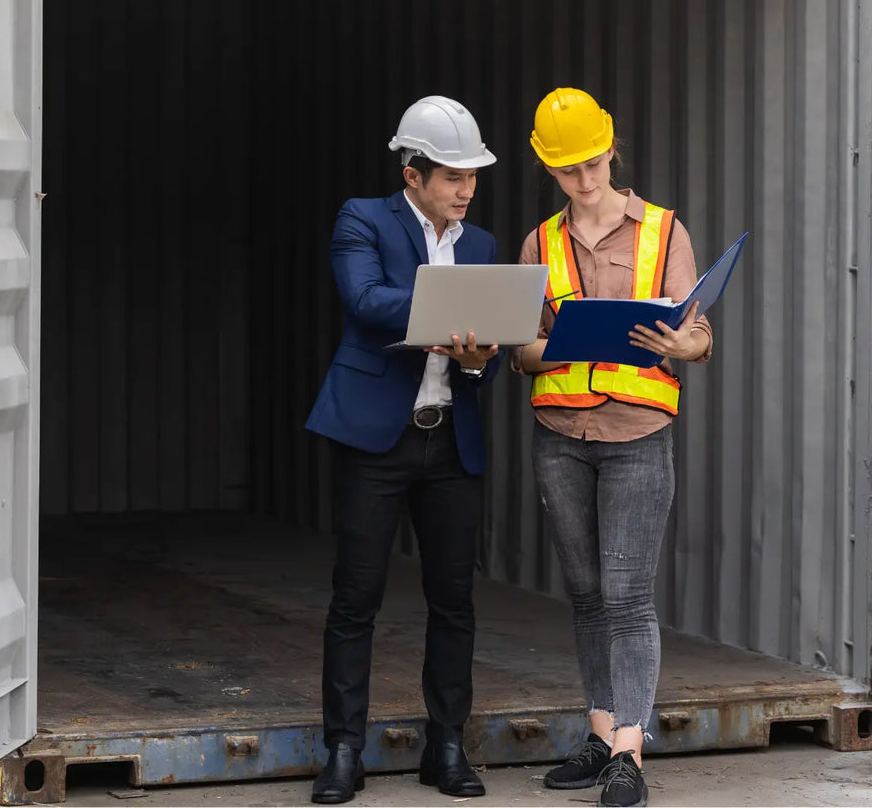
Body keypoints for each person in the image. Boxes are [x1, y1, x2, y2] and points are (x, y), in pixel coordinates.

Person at [513, 88, 713, 808]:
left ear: (612, 149)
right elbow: (522, 347)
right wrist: (544, 347)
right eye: (569, 170)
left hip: (637, 436)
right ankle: (600, 736)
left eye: (593, 163)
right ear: (550, 168)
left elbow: (699, 335)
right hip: (561, 438)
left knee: (628, 597)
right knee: (588, 596)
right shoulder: (540, 243)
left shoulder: (663, 231)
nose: (584, 179)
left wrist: (678, 342)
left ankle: (630, 752)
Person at [305, 95, 504, 804]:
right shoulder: (363, 217)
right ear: (412, 174)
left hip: (451, 439)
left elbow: (490, 348)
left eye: (473, 177)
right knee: (355, 598)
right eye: (452, 176)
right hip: (375, 442)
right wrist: (454, 309)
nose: (465, 189)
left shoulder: (480, 245)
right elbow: (365, 299)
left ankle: (446, 747)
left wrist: (481, 356)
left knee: (453, 600)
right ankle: (344, 751)